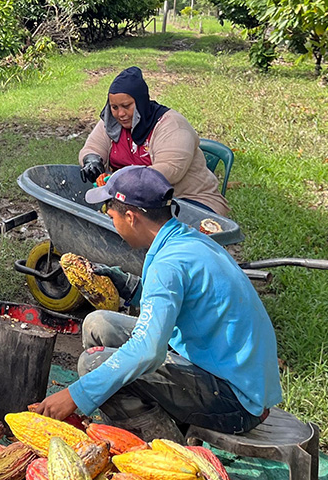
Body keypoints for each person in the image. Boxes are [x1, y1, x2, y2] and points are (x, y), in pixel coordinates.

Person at [29, 166, 282, 441]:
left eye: (111, 216)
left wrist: (75, 394)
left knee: (94, 365)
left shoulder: (168, 264)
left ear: (131, 216)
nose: (112, 223)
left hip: (237, 402)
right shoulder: (187, 239)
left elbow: (148, 351)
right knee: (98, 323)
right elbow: (183, 301)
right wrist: (129, 286)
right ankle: (137, 419)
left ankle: (162, 451)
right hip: (225, 373)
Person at [78, 66, 229, 216]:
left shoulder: (172, 125)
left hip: (188, 202)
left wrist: (121, 180)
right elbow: (93, 146)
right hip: (137, 203)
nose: (120, 114)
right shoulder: (111, 122)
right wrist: (91, 159)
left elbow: (169, 170)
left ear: (141, 103)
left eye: (126, 106)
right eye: (114, 107)